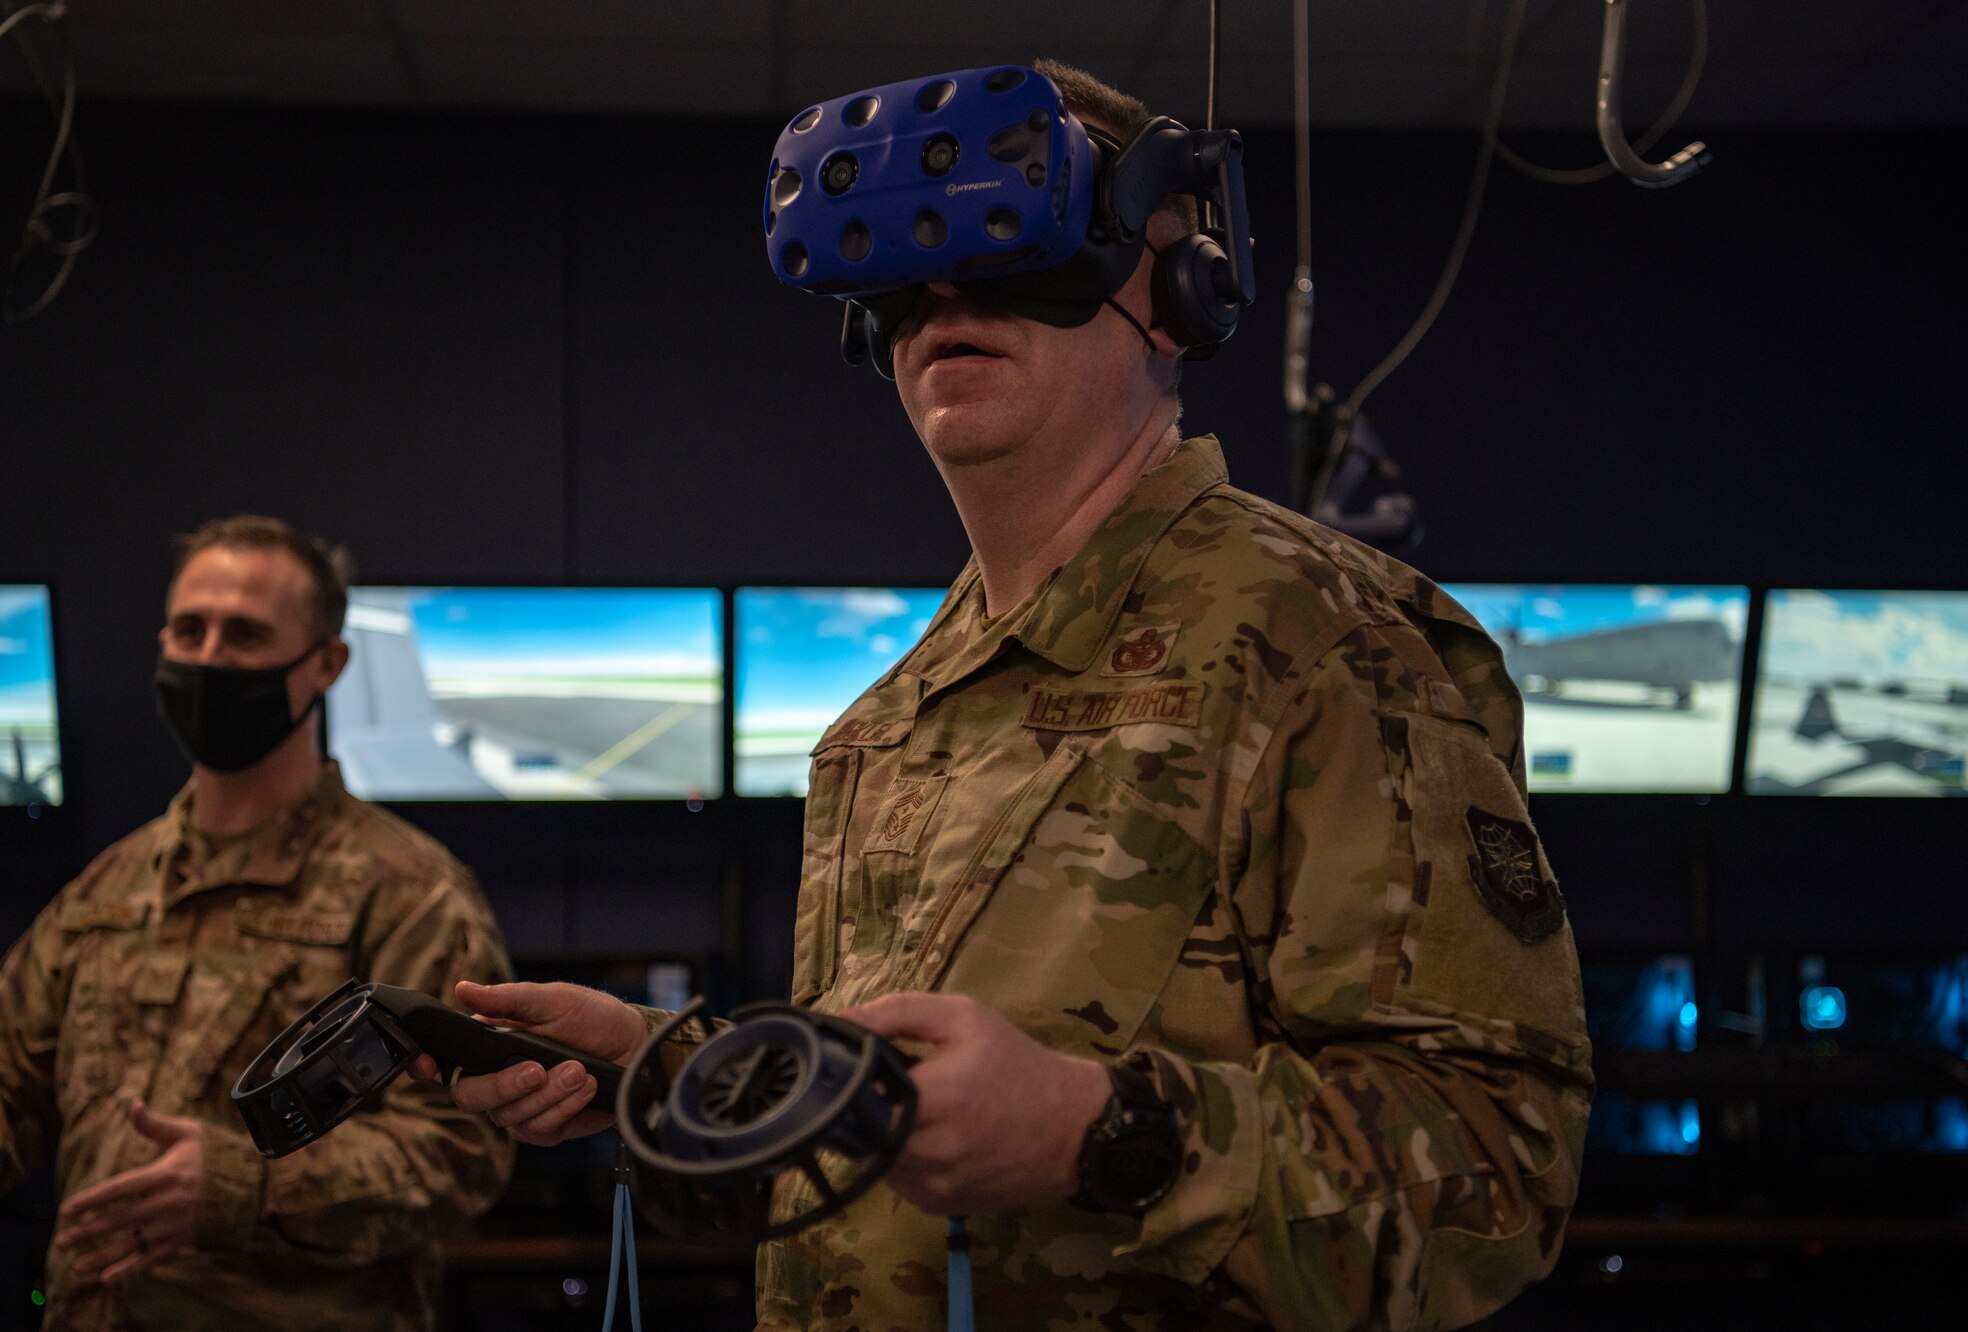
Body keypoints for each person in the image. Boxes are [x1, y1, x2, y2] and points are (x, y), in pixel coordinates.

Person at [434, 62, 1592, 1331]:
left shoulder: (1325, 641)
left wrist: (1097, 1133)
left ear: (1175, 287)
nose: (943, 302)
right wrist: (664, 1067)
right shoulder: (893, 714)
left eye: (1011, 243)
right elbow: (898, 1113)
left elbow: (1496, 1168)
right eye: (900, 267)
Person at [0, 515, 515, 1331]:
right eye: (189, 629)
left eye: (243, 635)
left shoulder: (410, 894)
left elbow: (463, 1156)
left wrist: (250, 1186)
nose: (207, 659)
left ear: (326, 665)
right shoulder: (106, 889)